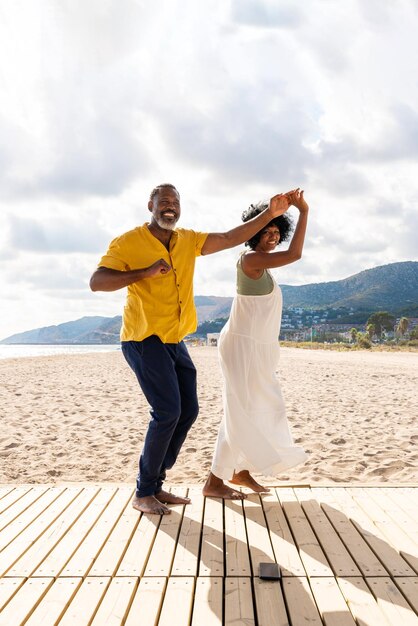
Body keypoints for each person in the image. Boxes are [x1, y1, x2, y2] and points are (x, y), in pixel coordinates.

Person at [90, 183, 296, 515]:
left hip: (174, 338)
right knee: (167, 411)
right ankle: (144, 491)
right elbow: (97, 281)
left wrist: (270, 213)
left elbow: (230, 237)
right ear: (151, 206)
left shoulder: (188, 239)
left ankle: (155, 485)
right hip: (143, 338)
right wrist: (143, 272)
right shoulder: (127, 242)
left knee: (188, 410)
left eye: (175, 202)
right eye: (163, 202)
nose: (169, 207)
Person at [203, 188, 309, 499]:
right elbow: (296, 255)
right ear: (255, 233)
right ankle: (214, 481)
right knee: (241, 411)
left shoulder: (264, 266)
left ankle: (239, 470)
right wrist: (304, 212)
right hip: (242, 348)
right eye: (267, 231)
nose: (273, 236)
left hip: (257, 350)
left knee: (258, 408)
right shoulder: (249, 259)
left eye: (278, 231)